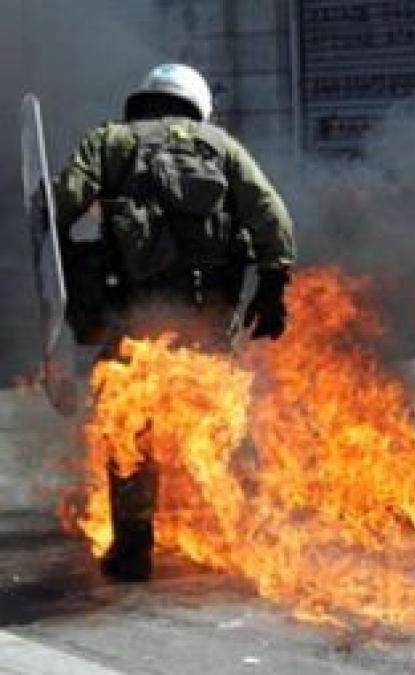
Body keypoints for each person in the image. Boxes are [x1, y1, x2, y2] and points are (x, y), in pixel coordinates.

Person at [52, 63, 297, 581]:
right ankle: (253, 532)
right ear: (197, 104)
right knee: (226, 415)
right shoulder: (223, 147)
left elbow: (63, 203)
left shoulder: (111, 141)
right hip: (208, 320)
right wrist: (274, 286)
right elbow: (270, 214)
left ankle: (133, 548)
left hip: (137, 317)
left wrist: (67, 261)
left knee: (130, 426)